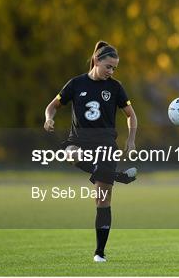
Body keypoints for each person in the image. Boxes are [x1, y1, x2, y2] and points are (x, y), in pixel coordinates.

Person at [43, 40, 138, 263]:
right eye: (108, 66)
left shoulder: (115, 87)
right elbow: (52, 106)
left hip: (106, 145)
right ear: (96, 60)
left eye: (115, 68)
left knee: (102, 201)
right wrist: (48, 119)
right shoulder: (75, 84)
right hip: (78, 141)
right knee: (70, 154)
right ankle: (116, 177)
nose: (111, 71)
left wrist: (131, 141)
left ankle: (99, 253)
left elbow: (131, 115)